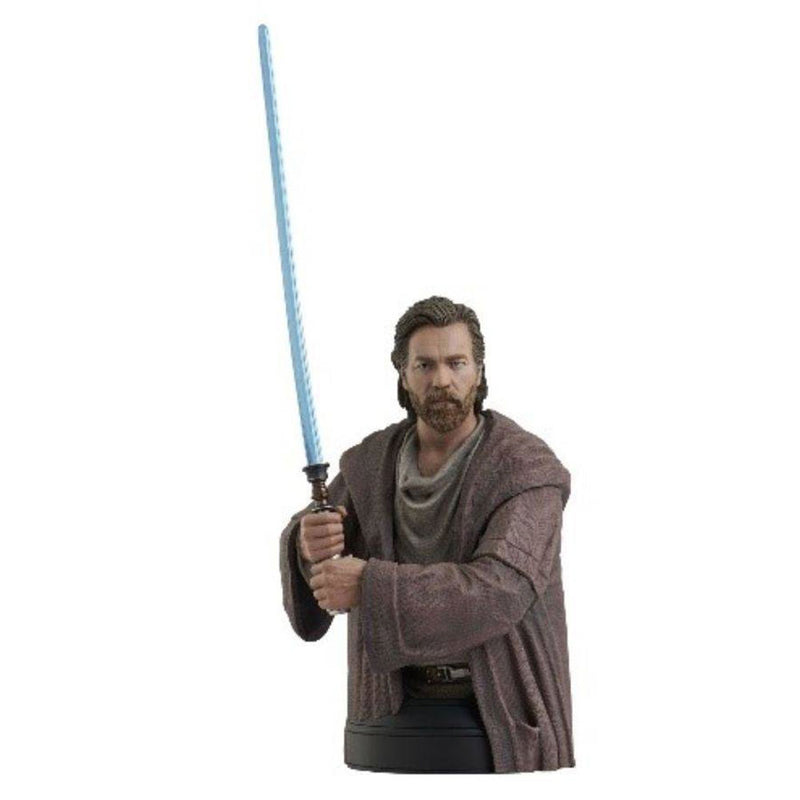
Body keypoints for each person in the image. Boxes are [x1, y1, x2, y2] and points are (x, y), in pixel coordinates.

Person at [278, 296, 574, 773]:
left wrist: (370, 585)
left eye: (456, 363)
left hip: (501, 716)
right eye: (425, 365)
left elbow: (502, 588)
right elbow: (319, 547)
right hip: (388, 714)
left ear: (478, 371)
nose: (441, 380)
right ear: (403, 374)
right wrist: (306, 545)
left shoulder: (525, 469)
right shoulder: (370, 464)